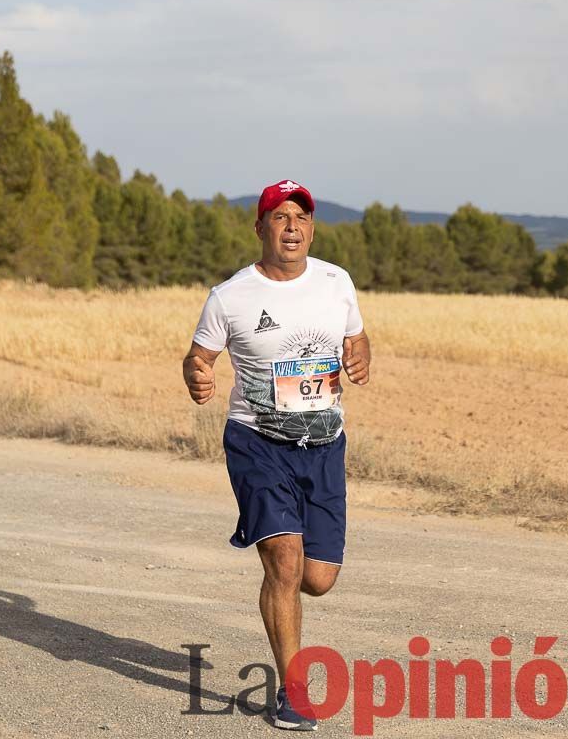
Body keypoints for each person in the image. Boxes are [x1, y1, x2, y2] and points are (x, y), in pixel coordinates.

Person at [183, 179, 371, 731]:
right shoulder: (230, 296)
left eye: (301, 217)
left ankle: (289, 606)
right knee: (285, 563)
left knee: (318, 578)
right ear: (261, 228)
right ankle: (293, 693)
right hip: (257, 443)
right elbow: (198, 357)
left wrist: (360, 359)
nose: (292, 227)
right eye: (281, 217)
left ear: (312, 228)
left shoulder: (337, 282)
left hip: (324, 446)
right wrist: (197, 376)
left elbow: (357, 339)